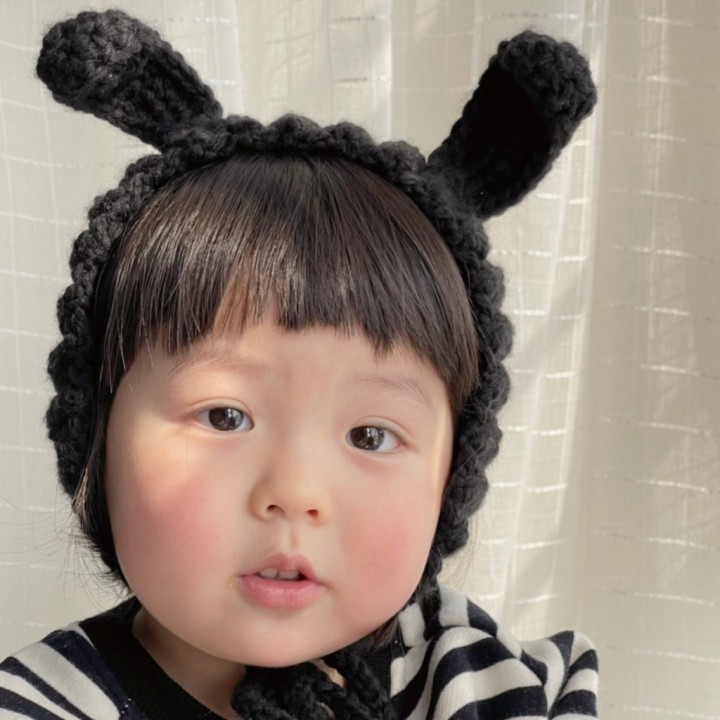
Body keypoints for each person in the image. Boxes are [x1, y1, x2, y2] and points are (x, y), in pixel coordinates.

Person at [0, 9, 598, 720]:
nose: (295, 493)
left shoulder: (496, 682)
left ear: (451, 481)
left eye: (371, 435)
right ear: (97, 442)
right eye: (225, 416)